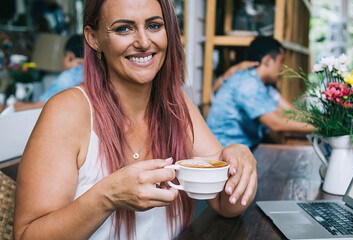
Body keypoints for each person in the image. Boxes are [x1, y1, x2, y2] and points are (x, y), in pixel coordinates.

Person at [13, 1, 257, 240]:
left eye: (153, 25)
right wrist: (106, 197)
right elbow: (27, 236)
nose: (143, 42)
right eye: (123, 28)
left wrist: (241, 161)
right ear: (93, 38)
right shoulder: (67, 111)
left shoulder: (177, 105)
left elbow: (226, 205)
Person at [206, 36, 314, 150]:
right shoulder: (247, 83)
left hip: (242, 149)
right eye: (280, 61)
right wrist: (321, 127)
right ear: (267, 60)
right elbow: (275, 123)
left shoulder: (262, 85)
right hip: (223, 153)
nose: (282, 69)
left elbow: (286, 112)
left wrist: (321, 121)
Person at [11, 34, 84, 112]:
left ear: (69, 56)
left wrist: (10, 107)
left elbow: (39, 106)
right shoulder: (89, 73)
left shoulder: (68, 77)